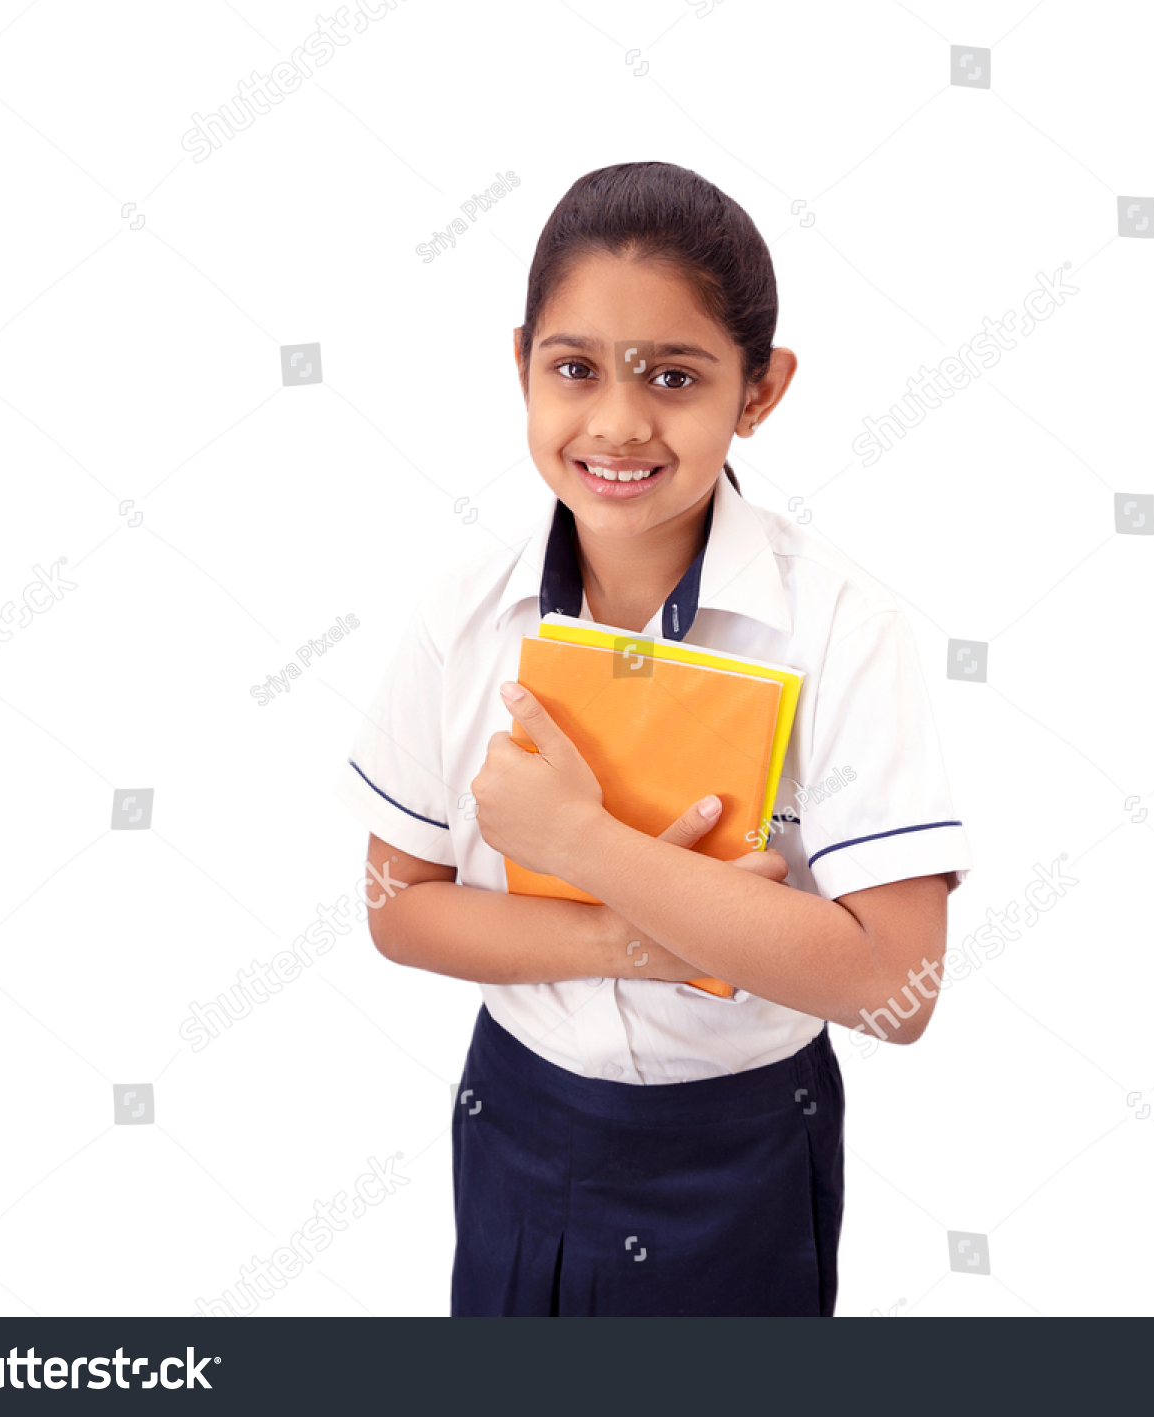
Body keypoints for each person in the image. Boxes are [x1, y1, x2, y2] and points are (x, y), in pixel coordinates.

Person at [335, 160, 972, 1316]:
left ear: (761, 389)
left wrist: (581, 840)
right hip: (516, 1124)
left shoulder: (841, 628)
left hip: (741, 1151)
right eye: (573, 368)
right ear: (519, 362)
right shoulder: (463, 612)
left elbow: (896, 987)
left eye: (674, 376)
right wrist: (642, 938)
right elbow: (398, 908)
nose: (618, 423)